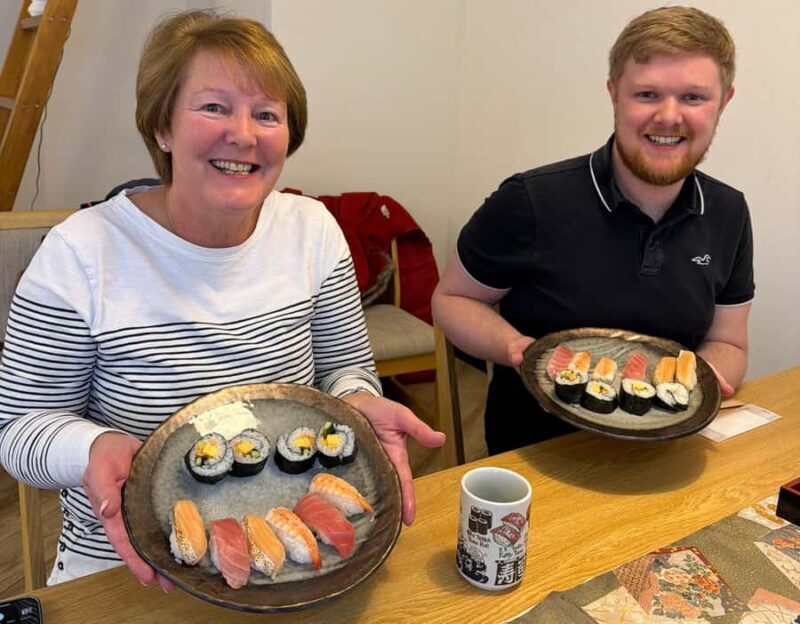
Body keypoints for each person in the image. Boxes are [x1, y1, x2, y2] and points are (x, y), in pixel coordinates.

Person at [0, 9, 444, 589]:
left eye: (267, 114)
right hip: (122, 563)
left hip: (289, 555)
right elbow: (19, 428)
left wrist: (359, 400)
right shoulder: (81, 254)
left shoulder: (312, 230)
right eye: (213, 107)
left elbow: (345, 370)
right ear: (162, 128)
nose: (244, 134)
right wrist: (94, 446)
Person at [432, 6, 753, 455]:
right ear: (614, 94)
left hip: (668, 454)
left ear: (724, 101)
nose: (668, 116)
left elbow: (728, 341)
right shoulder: (529, 200)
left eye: (693, 97)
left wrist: (704, 378)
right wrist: (513, 346)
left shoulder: (729, 211)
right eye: (646, 94)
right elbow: (452, 300)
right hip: (538, 455)